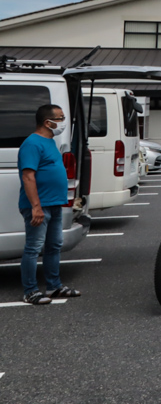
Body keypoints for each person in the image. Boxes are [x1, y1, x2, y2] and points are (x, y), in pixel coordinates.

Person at [18, 104, 83, 305]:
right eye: (61, 118)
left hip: (54, 204)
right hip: (39, 206)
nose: (64, 122)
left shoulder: (50, 142)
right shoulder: (32, 143)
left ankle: (54, 287)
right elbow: (28, 176)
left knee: (54, 245)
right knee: (34, 247)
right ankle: (30, 291)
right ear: (48, 122)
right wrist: (36, 206)